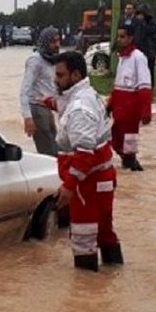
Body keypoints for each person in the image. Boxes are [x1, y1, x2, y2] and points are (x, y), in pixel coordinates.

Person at [53, 51, 121, 271]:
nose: (56, 79)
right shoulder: (87, 94)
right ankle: (114, 276)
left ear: (75, 75)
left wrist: (69, 186)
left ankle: (87, 297)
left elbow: (84, 154)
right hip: (102, 179)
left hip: (87, 185)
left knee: (83, 241)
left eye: (60, 75)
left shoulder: (80, 108)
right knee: (104, 232)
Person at [106, 23, 153, 171]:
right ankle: (129, 166)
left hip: (131, 112)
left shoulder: (139, 58)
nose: (119, 39)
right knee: (116, 139)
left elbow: (145, 87)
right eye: (118, 36)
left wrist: (146, 112)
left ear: (131, 38)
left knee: (129, 146)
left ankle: (134, 169)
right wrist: (109, 106)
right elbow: (118, 86)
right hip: (120, 111)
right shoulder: (122, 59)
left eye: (122, 36)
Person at [19, 26, 61, 156]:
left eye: (58, 41)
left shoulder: (52, 60)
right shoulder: (35, 61)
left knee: (55, 146)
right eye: (53, 42)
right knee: (48, 152)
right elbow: (24, 89)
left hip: (48, 108)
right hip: (37, 109)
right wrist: (27, 117)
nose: (57, 45)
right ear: (45, 42)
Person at [132, 3, 156, 86]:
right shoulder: (137, 23)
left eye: (141, 13)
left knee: (149, 71)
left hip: (149, 52)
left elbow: (149, 31)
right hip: (139, 50)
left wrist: (142, 22)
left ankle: (149, 87)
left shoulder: (152, 22)